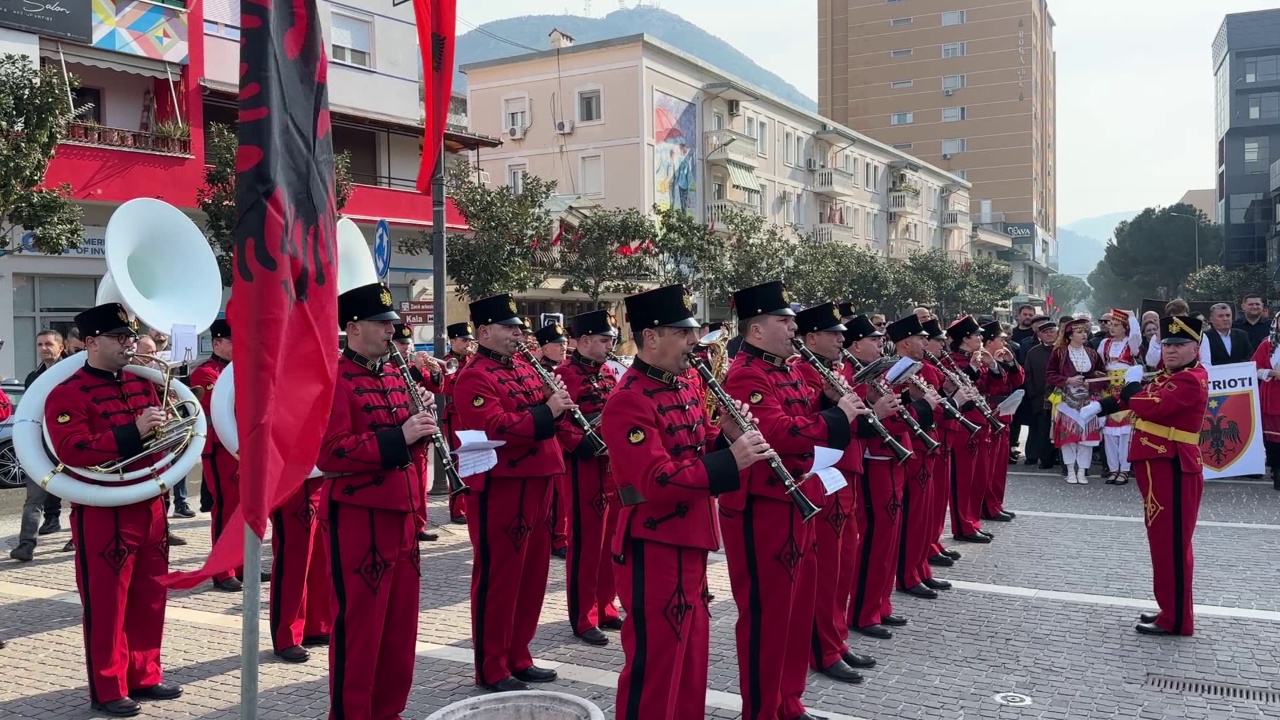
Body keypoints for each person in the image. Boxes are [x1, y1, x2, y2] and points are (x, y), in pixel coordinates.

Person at [601, 284, 761, 720]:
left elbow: (692, 451)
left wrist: (726, 436)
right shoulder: (628, 400)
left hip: (688, 539)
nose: (695, 341)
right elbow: (656, 479)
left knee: (691, 662)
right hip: (654, 544)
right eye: (684, 332)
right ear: (652, 336)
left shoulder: (686, 386)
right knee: (656, 667)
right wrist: (731, 460)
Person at [719, 282, 865, 720]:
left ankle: (789, 701)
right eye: (784, 320)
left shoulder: (786, 368)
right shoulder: (748, 373)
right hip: (763, 505)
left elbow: (799, 422)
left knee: (796, 610)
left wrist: (833, 408)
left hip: (796, 496)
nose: (793, 326)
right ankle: (763, 711)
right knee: (768, 617)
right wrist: (838, 418)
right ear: (757, 329)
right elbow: (778, 432)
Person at [45, 302, 183, 717]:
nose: (129, 344)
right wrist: (134, 430)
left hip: (149, 502)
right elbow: (74, 449)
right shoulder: (67, 392)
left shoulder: (143, 384)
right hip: (104, 512)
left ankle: (145, 673)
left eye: (129, 337)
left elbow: (174, 433)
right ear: (91, 342)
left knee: (151, 593)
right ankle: (107, 686)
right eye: (119, 338)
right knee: (107, 604)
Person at [317, 282, 432, 714]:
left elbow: (404, 444)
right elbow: (330, 453)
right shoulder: (334, 377)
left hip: (402, 514)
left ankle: (389, 709)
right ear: (353, 327)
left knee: (400, 626)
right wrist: (399, 436)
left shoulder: (394, 372)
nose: (391, 332)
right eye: (381, 324)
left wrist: (418, 433)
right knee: (361, 626)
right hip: (358, 516)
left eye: (392, 324)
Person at [454, 294, 572, 692]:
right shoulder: (474, 375)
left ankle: (519, 654)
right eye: (508, 327)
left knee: (532, 574)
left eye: (518, 327)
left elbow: (537, 412)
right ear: (484, 331)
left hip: (540, 479)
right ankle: (491, 665)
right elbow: (493, 426)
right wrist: (548, 411)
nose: (517, 333)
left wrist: (555, 407)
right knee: (500, 577)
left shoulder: (523, 366)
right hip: (503, 487)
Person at [1080, 316, 1208, 635]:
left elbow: (1151, 405)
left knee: (1173, 545)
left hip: (1174, 467)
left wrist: (1134, 384)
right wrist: (1102, 406)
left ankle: (1177, 619)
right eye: (1166, 345)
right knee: (1161, 543)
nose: (1171, 351)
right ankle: (1169, 608)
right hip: (1159, 466)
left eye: (1179, 345)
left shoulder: (1191, 379)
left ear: (1195, 347)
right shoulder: (1170, 375)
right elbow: (1133, 396)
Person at [791, 303, 877, 684]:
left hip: (844, 470)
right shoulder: (801, 372)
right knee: (826, 565)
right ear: (812, 339)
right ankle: (823, 646)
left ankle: (837, 637)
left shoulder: (838, 369)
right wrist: (831, 404)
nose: (843, 339)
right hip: (822, 472)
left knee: (844, 559)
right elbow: (804, 427)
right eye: (835, 334)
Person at [553, 310, 622, 646]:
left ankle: (606, 605)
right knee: (586, 543)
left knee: (611, 540)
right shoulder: (563, 374)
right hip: (583, 467)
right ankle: (583, 616)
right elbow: (560, 421)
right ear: (582, 341)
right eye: (604, 339)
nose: (610, 345)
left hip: (612, 468)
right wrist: (585, 443)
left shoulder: (609, 371)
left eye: (611, 339)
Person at [188, 319, 241, 590]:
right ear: (217, 343)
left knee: (245, 510)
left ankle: (242, 565)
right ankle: (222, 572)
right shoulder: (206, 373)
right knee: (226, 510)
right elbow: (220, 409)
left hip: (243, 448)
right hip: (221, 449)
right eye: (232, 341)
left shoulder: (242, 369)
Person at [12, 330, 69, 562]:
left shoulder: (73, 372)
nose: (44, 348)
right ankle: (26, 544)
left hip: (67, 442)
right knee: (34, 497)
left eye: (48, 344)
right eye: (40, 344)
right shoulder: (32, 377)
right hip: (41, 443)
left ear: (61, 347)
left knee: (79, 496)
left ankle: (77, 538)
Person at [944, 316, 998, 541]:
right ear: (965, 339)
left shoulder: (976, 358)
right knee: (963, 480)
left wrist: (994, 365)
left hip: (981, 423)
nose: (981, 338)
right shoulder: (951, 361)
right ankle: (963, 525)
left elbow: (995, 385)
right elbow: (956, 386)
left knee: (978, 479)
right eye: (976, 335)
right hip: (964, 426)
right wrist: (975, 367)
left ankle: (973, 521)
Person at [391, 321, 444, 543]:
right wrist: (414, 367)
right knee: (407, 485)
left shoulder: (414, 364)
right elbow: (401, 386)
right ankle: (408, 524)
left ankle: (419, 525)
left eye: (408, 344)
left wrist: (437, 371)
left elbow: (437, 388)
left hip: (422, 433)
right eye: (402, 344)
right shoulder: (390, 365)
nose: (406, 348)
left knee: (420, 484)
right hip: (403, 434)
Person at [1047, 318, 1106, 484]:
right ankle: (1070, 471)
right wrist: (1068, 380)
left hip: (1088, 400)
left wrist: (1092, 383)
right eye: (1079, 332)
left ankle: (1082, 471)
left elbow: (1103, 374)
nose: (1084, 334)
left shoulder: (1092, 353)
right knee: (1069, 437)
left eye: (1085, 331)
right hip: (1067, 401)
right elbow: (1050, 374)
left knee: (1087, 437)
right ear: (1070, 336)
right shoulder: (1059, 352)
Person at [976, 321, 1025, 522]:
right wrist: (994, 366)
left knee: (999, 466)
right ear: (989, 341)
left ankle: (995, 503)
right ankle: (986, 506)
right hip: (990, 413)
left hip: (1004, 413)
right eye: (1000, 338)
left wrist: (1011, 362)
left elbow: (1019, 380)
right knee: (988, 466)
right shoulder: (981, 360)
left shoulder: (1003, 356)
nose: (1005, 341)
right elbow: (988, 385)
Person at [534, 322, 571, 559]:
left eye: (565, 343)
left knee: (563, 493)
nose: (563, 347)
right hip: (551, 433)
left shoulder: (566, 367)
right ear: (544, 348)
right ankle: (557, 538)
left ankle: (561, 535)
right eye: (558, 344)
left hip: (567, 434)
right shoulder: (538, 368)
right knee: (557, 493)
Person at [1098, 310, 1141, 485]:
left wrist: (1131, 317)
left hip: (1125, 389)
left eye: (1116, 325)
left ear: (1125, 328)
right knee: (1109, 432)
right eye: (1111, 325)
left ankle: (1124, 470)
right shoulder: (1104, 343)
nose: (1112, 327)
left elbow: (1137, 335)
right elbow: (1099, 364)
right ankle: (1113, 469)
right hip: (1108, 388)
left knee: (1125, 432)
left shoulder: (1131, 343)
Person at [440, 322, 477, 525]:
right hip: (455, 414)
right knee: (458, 461)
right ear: (453, 341)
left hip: (472, 414)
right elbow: (445, 389)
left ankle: (472, 503)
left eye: (470, 340)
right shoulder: (447, 362)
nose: (468, 344)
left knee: (474, 460)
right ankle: (457, 509)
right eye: (464, 340)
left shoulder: (473, 360)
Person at [1021, 317, 1060, 469]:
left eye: (1052, 331)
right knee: (1041, 429)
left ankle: (1059, 458)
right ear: (1039, 335)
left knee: (1060, 427)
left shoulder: (1062, 350)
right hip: (1039, 397)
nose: (1049, 334)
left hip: (1061, 396)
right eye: (1045, 332)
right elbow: (1027, 375)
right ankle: (1043, 459)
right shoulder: (1033, 352)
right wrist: (1032, 394)